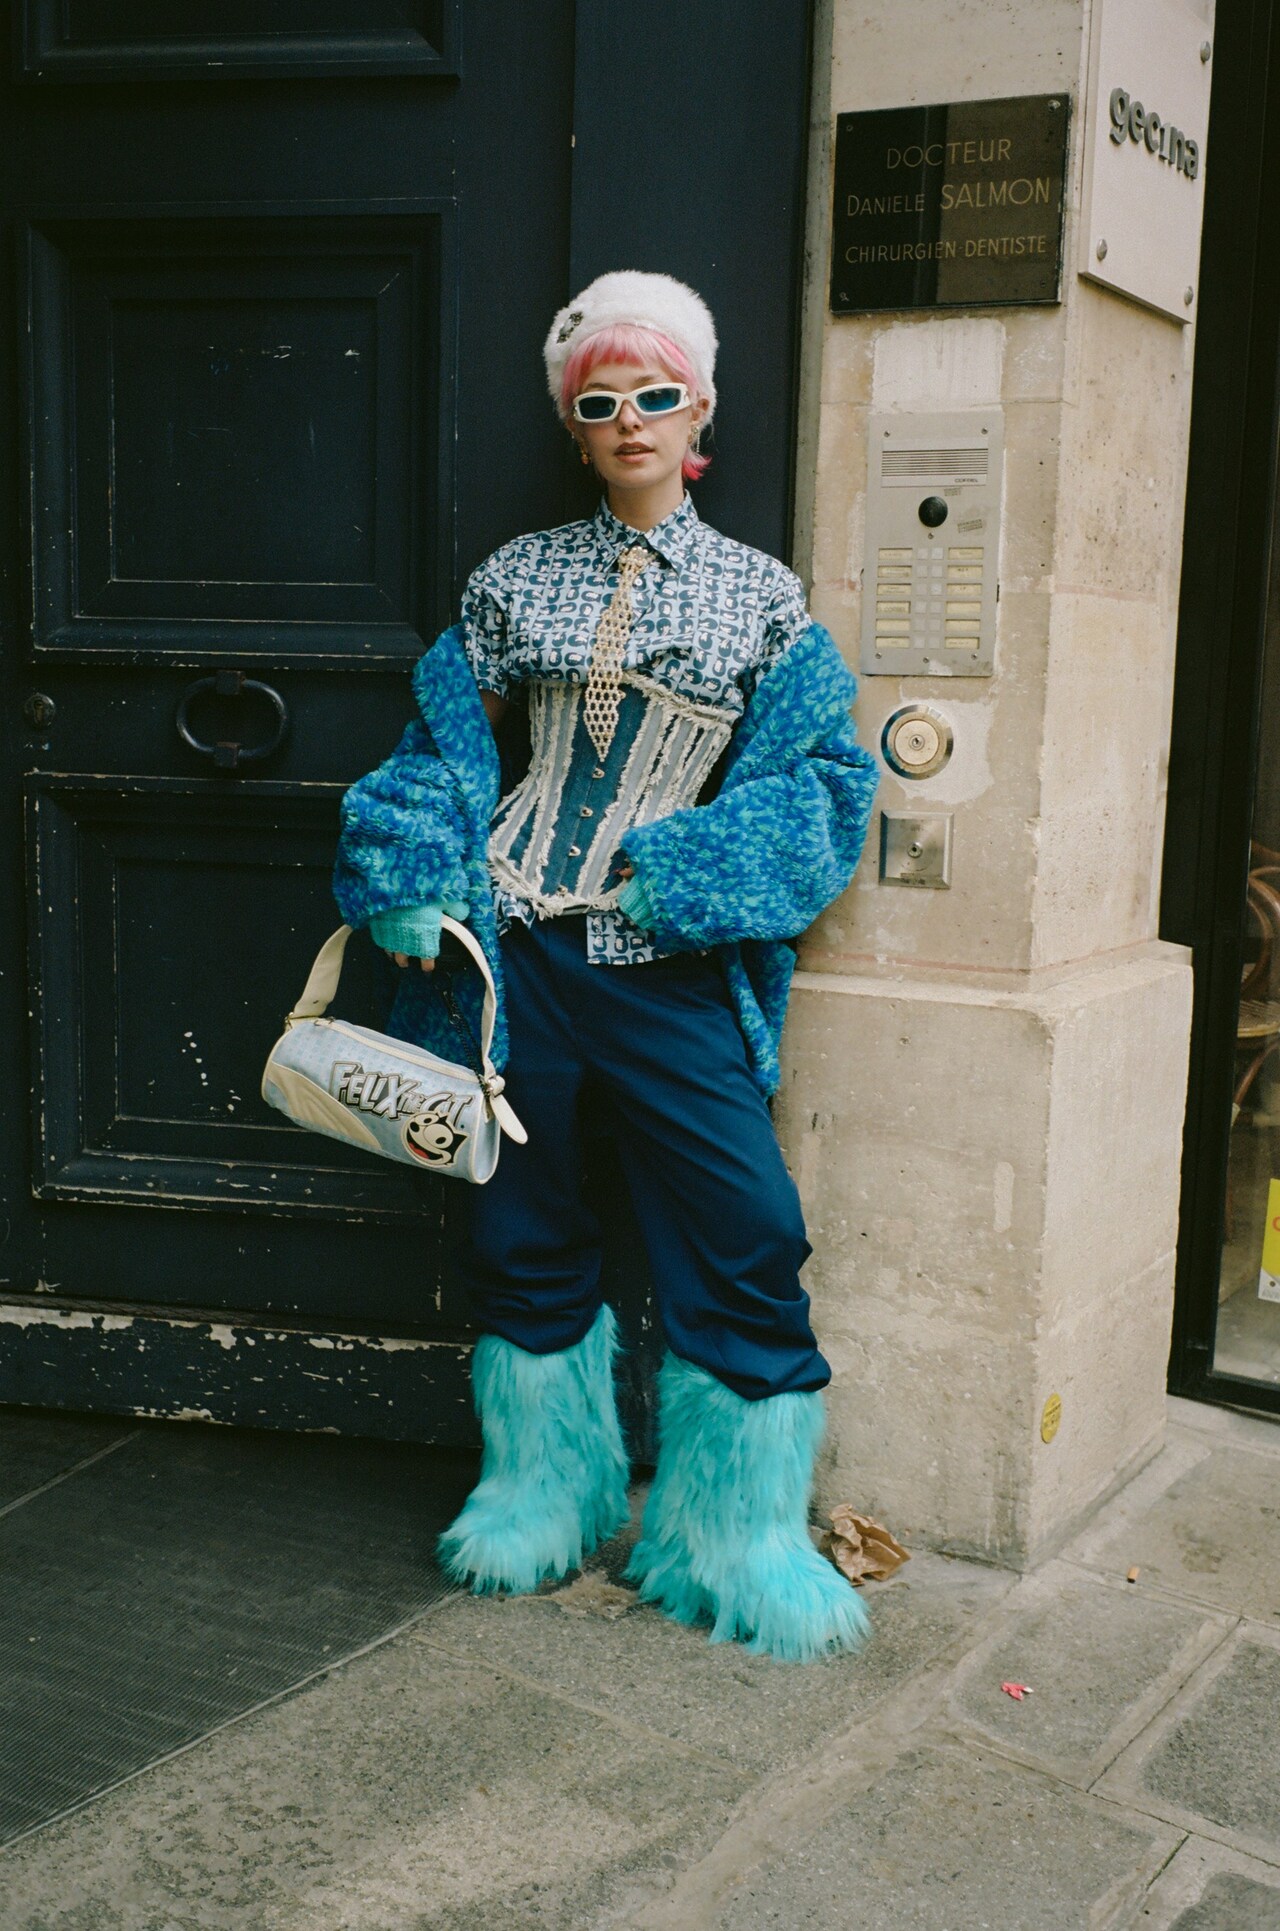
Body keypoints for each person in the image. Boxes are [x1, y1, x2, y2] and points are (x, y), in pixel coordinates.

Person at [332, 270, 879, 1662]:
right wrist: (407, 876)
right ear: (574, 425)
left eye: (655, 396)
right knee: (517, 1221)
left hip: (670, 963)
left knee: (746, 1224)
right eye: (600, 402)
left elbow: (824, 780)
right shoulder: (514, 580)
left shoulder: (765, 599)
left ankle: (737, 1537)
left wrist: (688, 875)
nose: (628, 419)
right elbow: (445, 746)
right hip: (512, 959)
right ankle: (540, 1489)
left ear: (699, 410)